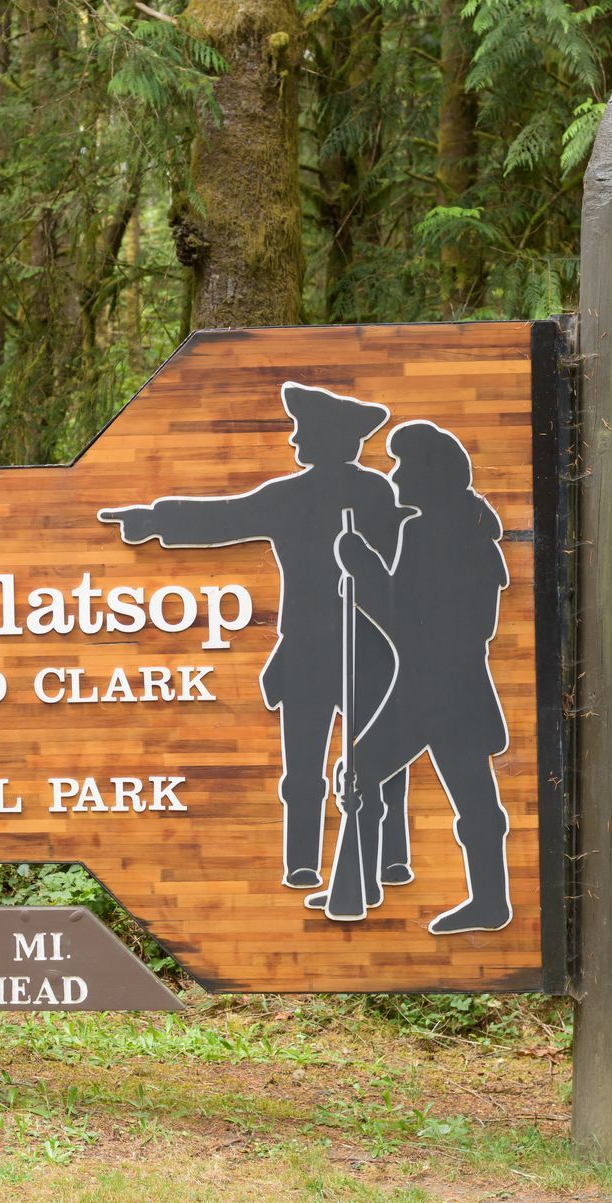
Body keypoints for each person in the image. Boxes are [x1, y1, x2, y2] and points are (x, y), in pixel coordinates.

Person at [99, 381, 412, 892]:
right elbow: (224, 517)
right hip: (308, 648)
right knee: (305, 770)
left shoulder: (375, 494)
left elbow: (393, 565)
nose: (293, 440)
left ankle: (388, 859)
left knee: (377, 760)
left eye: (304, 430)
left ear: (331, 437)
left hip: (366, 644)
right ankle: (304, 865)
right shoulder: (293, 494)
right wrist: (153, 519)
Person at [313, 419, 513, 934]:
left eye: (402, 464)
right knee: (458, 795)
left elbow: (409, 623)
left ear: (429, 472)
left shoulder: (427, 531)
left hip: (434, 691)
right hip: (445, 688)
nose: (395, 475)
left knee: (372, 774)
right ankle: (364, 884)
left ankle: (485, 903)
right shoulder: (465, 529)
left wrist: (362, 567)